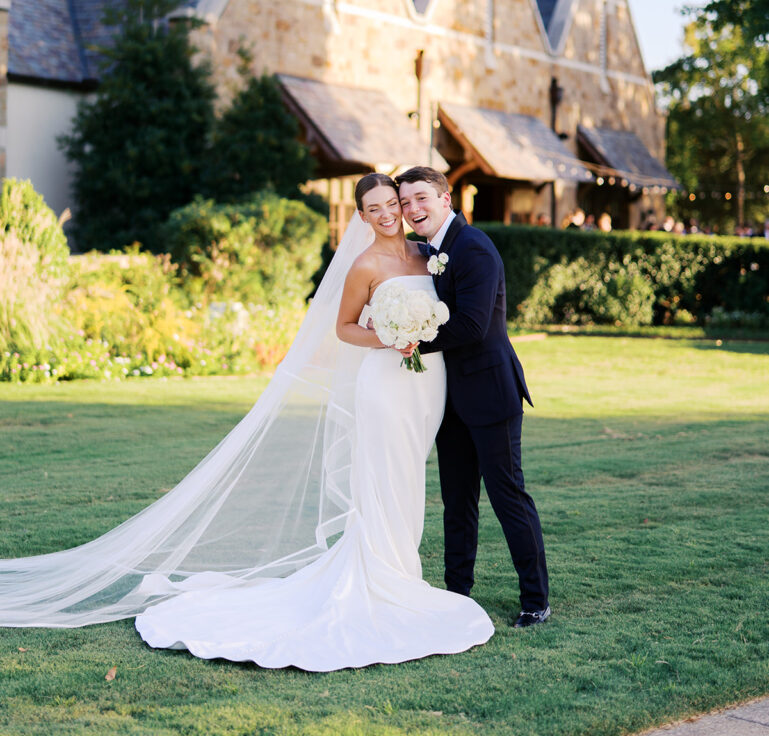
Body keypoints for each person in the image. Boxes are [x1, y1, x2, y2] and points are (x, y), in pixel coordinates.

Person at [0, 173, 493, 671]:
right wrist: (387, 338)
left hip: (426, 385)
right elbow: (344, 328)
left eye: (393, 203)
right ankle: (388, 579)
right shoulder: (365, 263)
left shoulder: (426, 255)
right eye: (376, 207)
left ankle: (401, 572)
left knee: (409, 478)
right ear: (361, 216)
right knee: (386, 478)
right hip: (385, 385)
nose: (389, 213)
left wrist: (416, 333)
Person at [396, 167, 550, 628]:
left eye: (420, 198)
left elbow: (473, 325)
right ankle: (457, 593)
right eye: (405, 203)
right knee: (456, 500)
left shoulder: (474, 246)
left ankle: (535, 600)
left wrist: (414, 340)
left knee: (507, 496)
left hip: (489, 391)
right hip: (450, 398)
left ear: (445, 197)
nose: (412, 209)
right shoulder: (431, 250)